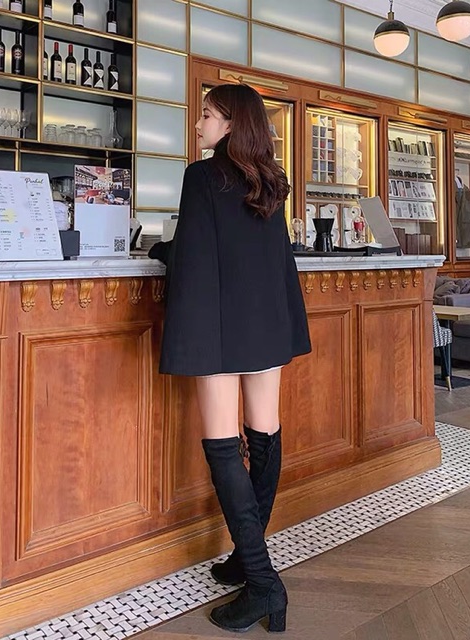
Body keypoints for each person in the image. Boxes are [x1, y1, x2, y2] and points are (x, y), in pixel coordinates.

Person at [150, 83, 311, 634]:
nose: (198, 125)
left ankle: (264, 583)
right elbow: (268, 254)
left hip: (220, 325)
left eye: (206, 115)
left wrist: (160, 251)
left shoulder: (202, 176)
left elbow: (192, 256)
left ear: (231, 124)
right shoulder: (271, 179)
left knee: (223, 445)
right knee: (263, 435)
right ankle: (248, 559)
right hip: (268, 321)